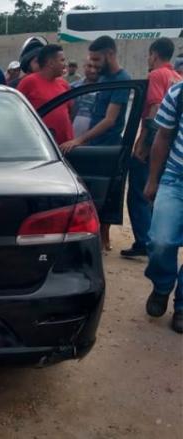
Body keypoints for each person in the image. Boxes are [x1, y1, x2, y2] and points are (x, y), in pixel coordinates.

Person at [60, 36, 131, 251]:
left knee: (107, 194)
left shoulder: (121, 79)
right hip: (92, 145)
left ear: (110, 55)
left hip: (107, 147)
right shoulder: (101, 79)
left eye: (97, 59)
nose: (94, 65)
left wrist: (79, 140)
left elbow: (109, 120)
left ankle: (102, 239)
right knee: (89, 193)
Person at [123, 37, 181, 259]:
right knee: (155, 194)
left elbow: (155, 108)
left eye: (149, 55)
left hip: (155, 143)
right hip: (170, 149)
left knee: (139, 192)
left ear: (154, 54)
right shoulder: (175, 76)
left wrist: (143, 143)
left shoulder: (156, 75)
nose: (148, 59)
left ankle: (144, 242)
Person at [143, 81, 183, 334]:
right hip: (175, 178)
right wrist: (153, 180)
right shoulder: (178, 94)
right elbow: (164, 135)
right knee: (160, 241)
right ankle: (162, 285)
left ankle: (182, 307)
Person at [18, 44, 72, 145]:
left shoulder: (63, 83)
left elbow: (70, 112)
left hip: (66, 146)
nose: (65, 64)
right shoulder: (29, 82)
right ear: (51, 63)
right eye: (62, 60)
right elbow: (18, 113)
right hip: (42, 146)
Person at [71, 60, 100, 137]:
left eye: (96, 67)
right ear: (84, 66)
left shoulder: (106, 90)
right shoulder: (73, 87)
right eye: (89, 66)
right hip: (71, 141)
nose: (93, 70)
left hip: (95, 141)